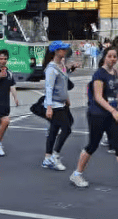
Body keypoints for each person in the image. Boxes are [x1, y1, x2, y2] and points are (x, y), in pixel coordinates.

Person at [69, 46, 118, 191]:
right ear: (104, 57)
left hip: (111, 115)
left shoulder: (113, 74)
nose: (112, 59)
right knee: (92, 146)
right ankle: (76, 174)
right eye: (110, 56)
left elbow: (113, 96)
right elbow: (98, 97)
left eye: (114, 56)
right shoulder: (99, 74)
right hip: (97, 114)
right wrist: (113, 110)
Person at [41, 41, 73, 171]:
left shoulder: (61, 66)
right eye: (62, 49)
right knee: (66, 128)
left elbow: (64, 84)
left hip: (61, 103)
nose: (65, 51)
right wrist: (49, 107)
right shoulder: (51, 68)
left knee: (54, 131)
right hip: (54, 105)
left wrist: (67, 98)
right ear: (56, 51)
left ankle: (47, 158)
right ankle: (55, 155)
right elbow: (49, 88)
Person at [0, 49, 20, 157]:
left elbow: (12, 86)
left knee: (2, 123)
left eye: (5, 59)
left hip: (6, 101)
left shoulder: (9, 72)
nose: (3, 61)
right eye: (1, 58)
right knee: (6, 121)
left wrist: (15, 98)